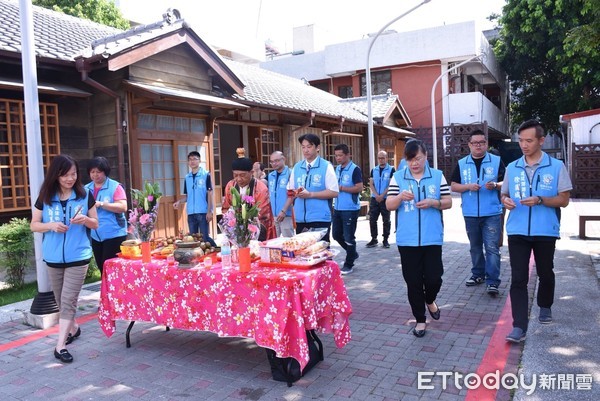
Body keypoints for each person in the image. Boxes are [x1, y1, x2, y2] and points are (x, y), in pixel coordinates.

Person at [501, 120, 572, 344]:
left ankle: (545, 305)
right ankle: (519, 326)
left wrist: (541, 200)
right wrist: (506, 201)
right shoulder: (512, 167)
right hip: (517, 230)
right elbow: (503, 194)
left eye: (529, 140)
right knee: (518, 278)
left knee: (545, 272)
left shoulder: (556, 167)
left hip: (545, 231)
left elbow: (564, 200)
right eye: (521, 140)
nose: (524, 145)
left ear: (541, 140)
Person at [30, 155, 99, 363]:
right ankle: (74, 328)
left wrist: (85, 219)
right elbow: (34, 224)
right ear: (56, 174)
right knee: (61, 301)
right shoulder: (45, 195)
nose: (70, 178)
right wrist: (51, 226)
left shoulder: (84, 194)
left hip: (78, 256)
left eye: (74, 174)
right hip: (52, 257)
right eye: (66, 175)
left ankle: (59, 346)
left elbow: (95, 223)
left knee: (68, 301)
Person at [386, 140, 452, 338]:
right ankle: (421, 319)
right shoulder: (398, 177)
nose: (414, 163)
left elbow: (448, 202)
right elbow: (389, 204)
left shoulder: (437, 176)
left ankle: (430, 300)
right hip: (407, 240)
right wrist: (399, 198)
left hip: (432, 238)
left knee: (434, 277)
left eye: (418, 158)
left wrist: (434, 202)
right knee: (413, 282)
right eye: (410, 159)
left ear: (426, 157)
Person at [450, 130, 505, 296]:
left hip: (492, 213)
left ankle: (493, 281)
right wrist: (468, 186)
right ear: (469, 145)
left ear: (486, 144)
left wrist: (495, 184)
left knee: (491, 248)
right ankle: (478, 275)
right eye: (475, 143)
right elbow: (453, 185)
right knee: (475, 247)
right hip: (470, 213)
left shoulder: (496, 161)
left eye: (481, 142)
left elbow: (506, 182)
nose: (478, 145)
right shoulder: (462, 163)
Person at [282, 133, 339, 242]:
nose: (305, 150)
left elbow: (334, 192)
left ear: (317, 148)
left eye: (309, 146)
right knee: (303, 252)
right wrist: (295, 193)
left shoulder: (326, 166)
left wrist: (311, 194)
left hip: (320, 218)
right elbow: (290, 191)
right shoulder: (297, 167)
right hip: (300, 219)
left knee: (321, 252)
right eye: (303, 147)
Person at [84, 157, 128, 275]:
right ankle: (106, 292)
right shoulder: (86, 189)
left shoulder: (115, 186)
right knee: (102, 268)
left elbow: (123, 207)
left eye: (98, 172)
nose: (95, 175)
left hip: (114, 234)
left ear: (105, 171)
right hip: (95, 235)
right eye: (92, 172)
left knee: (112, 269)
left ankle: (114, 293)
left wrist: (102, 204)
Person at [222, 148, 275, 241]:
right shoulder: (230, 186)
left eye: (242, 175)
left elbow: (262, 214)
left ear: (251, 173)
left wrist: (244, 224)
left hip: (258, 231)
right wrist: (230, 222)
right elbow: (226, 208)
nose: (238, 179)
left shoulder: (261, 189)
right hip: (235, 231)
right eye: (235, 175)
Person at [173, 151, 217, 247]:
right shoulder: (187, 177)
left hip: (202, 212)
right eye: (190, 159)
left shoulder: (206, 175)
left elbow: (210, 194)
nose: (192, 161)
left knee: (205, 238)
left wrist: (210, 211)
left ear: (199, 160)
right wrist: (179, 202)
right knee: (193, 239)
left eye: (195, 159)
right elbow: (188, 196)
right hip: (191, 214)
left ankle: (217, 250)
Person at [332, 144, 363, 275]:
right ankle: (353, 253)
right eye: (336, 155)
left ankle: (348, 263)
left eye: (340, 155)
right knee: (336, 235)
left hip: (350, 208)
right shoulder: (337, 169)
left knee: (349, 237)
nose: (338, 158)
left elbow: (359, 187)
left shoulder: (355, 169)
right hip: (337, 207)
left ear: (347, 155)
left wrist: (343, 188)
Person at [366, 150, 395, 249]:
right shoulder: (374, 170)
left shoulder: (391, 169)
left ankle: (385, 240)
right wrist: (376, 195)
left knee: (386, 220)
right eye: (379, 158)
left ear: (386, 158)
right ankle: (374, 239)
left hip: (386, 198)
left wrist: (382, 195)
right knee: (372, 219)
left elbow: (391, 184)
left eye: (383, 157)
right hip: (375, 198)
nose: (381, 160)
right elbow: (371, 184)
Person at [268, 151, 294, 237]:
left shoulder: (291, 173)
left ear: (284, 159)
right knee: (274, 242)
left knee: (288, 242)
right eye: (272, 161)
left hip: (287, 215)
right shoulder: (270, 175)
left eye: (277, 160)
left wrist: (284, 211)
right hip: (273, 215)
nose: (274, 163)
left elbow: (292, 194)